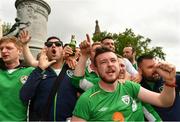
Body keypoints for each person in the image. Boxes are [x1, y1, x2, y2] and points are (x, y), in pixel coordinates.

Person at [71, 47, 176, 121]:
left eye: (113, 60)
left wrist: (170, 81)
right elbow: (78, 80)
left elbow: (164, 101)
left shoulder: (130, 86)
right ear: (95, 68)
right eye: (103, 62)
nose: (110, 65)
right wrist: (84, 56)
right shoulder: (86, 99)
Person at [20, 36, 78, 121]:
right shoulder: (38, 71)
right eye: (49, 44)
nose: (53, 46)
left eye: (58, 44)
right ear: (45, 51)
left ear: (63, 50)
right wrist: (39, 69)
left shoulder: (73, 70)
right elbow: (24, 96)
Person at [137, 54, 180, 121]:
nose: (155, 69)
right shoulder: (137, 87)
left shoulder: (172, 77)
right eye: (150, 67)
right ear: (140, 70)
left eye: (156, 66)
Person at [0, 36, 34, 121]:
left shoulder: (30, 71)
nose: (3, 51)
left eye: (9, 48)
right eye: (1, 49)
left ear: (19, 51)